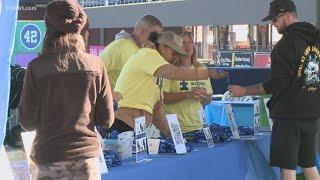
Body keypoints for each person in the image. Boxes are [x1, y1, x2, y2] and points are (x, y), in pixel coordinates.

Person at [18, 0, 114, 179]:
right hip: (87, 161)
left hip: (49, 158)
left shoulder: (36, 68)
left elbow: (27, 122)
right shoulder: (96, 65)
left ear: (49, 28)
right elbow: (107, 120)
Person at [228, 0, 320, 179]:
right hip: (312, 111)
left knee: (288, 169)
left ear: (287, 15)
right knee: (309, 165)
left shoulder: (284, 46)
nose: (273, 24)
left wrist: (244, 91)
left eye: (275, 19)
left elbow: (277, 83)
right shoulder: (315, 39)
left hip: (289, 116)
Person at [112, 31, 227, 137]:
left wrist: (172, 136)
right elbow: (173, 72)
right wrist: (206, 73)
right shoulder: (149, 54)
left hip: (134, 125)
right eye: (173, 53)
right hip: (124, 122)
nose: (175, 58)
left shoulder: (156, 72)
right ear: (163, 47)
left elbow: (158, 108)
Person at [100, 15, 163, 100]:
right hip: (119, 106)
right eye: (154, 35)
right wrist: (110, 93)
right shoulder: (119, 46)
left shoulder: (143, 49)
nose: (156, 40)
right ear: (141, 31)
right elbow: (96, 71)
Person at [163, 32, 213, 133]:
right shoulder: (169, 69)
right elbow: (163, 97)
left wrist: (203, 96)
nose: (187, 45)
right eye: (183, 43)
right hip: (175, 127)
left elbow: (208, 100)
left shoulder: (202, 69)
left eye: (190, 42)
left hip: (198, 125)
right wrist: (187, 94)